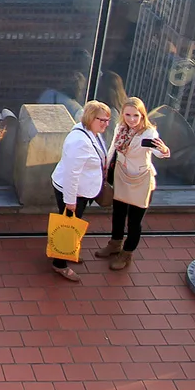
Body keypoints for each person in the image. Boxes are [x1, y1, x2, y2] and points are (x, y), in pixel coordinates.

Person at [93, 98, 170, 271]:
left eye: (136, 115)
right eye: (128, 114)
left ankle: (127, 253)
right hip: (121, 175)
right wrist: (105, 169)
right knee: (118, 214)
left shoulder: (149, 133)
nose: (132, 119)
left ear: (142, 114)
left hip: (140, 179)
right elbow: (113, 148)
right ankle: (115, 244)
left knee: (134, 221)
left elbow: (158, 152)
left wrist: (164, 150)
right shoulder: (121, 128)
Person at [47, 100, 112, 281]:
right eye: (103, 120)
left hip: (82, 191)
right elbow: (72, 173)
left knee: (70, 226)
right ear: (91, 118)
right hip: (74, 192)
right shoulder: (80, 141)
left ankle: (66, 253)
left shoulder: (91, 132)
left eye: (108, 120)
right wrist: (70, 200)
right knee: (68, 227)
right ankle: (60, 264)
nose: (106, 124)